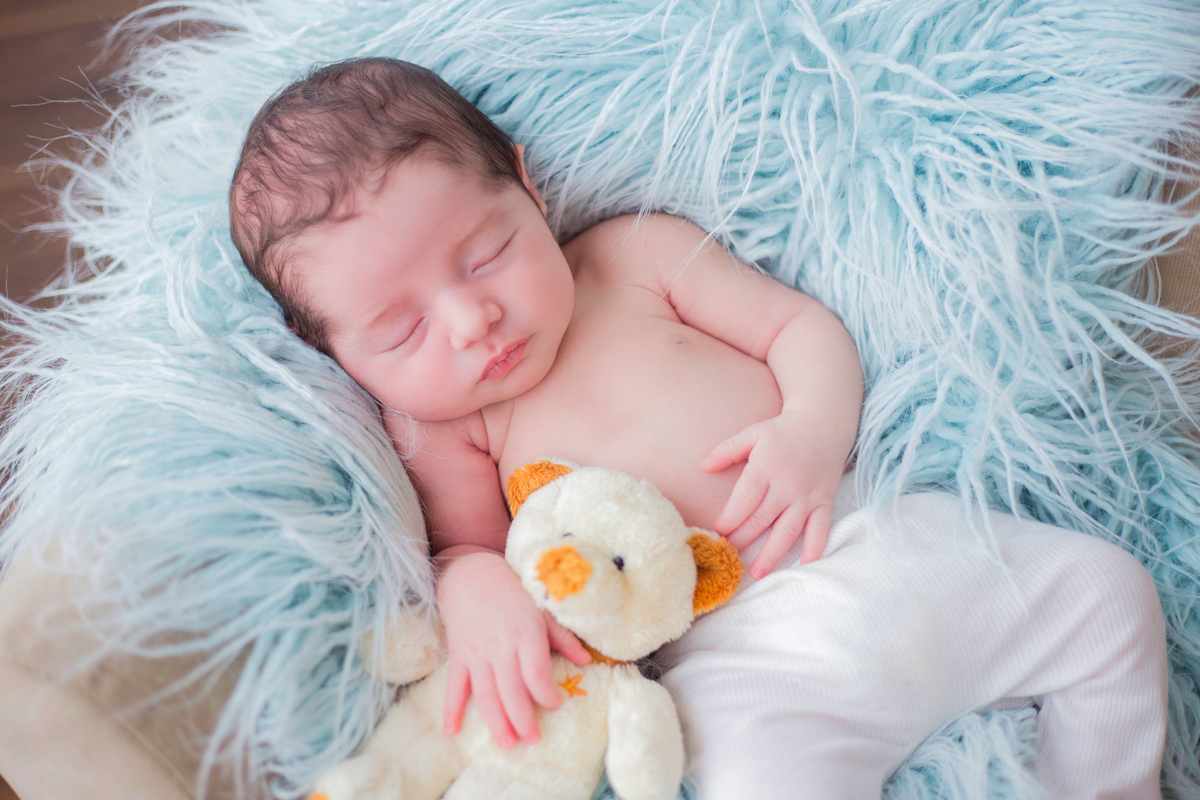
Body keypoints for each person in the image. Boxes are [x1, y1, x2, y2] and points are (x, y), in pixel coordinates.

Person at [228, 57, 1168, 798]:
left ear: (527, 185)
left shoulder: (635, 257)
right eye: (401, 329)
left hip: (877, 536)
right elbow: (466, 550)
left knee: (1108, 595)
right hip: (740, 664)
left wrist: (811, 427)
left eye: (486, 255)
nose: (472, 322)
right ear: (329, 348)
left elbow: (802, 329)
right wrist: (476, 593)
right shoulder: (444, 431)